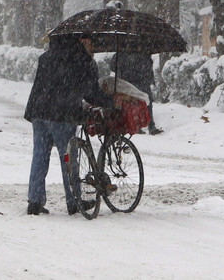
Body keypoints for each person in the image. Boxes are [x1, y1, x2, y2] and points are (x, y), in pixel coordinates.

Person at [24, 33, 114, 215]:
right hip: (62, 115)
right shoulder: (81, 59)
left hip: (39, 113)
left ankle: (35, 201)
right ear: (81, 40)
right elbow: (91, 92)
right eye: (91, 42)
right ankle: (73, 201)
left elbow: (43, 85)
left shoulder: (46, 57)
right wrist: (109, 102)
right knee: (68, 158)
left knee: (39, 156)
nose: (93, 46)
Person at [112, 49, 161, 134]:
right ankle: (150, 126)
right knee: (145, 103)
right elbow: (148, 65)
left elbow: (113, 66)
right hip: (138, 81)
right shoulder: (142, 51)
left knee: (136, 104)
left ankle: (139, 125)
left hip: (131, 81)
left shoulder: (122, 52)